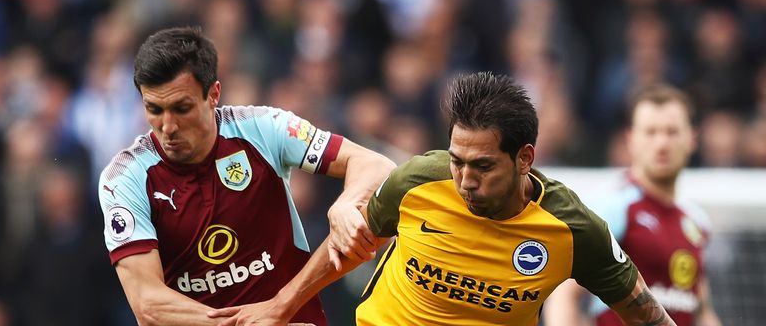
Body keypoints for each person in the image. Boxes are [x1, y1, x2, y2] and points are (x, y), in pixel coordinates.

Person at [207, 72, 677, 325]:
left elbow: (646, 315)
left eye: (483, 166)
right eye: (457, 161)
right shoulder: (419, 181)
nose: (465, 180)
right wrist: (279, 306)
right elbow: (349, 249)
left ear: (524, 158)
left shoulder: (572, 229)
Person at [98, 26, 395, 326]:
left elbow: (378, 166)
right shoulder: (125, 178)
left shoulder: (263, 129)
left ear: (213, 94)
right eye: (154, 109)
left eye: (181, 108)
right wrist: (255, 322)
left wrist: (345, 204)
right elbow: (148, 304)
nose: (167, 126)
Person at [544, 84, 722, 326]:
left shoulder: (696, 220)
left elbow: (700, 308)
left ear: (692, 139)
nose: (661, 143)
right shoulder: (612, 208)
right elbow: (565, 294)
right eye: (651, 132)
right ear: (631, 139)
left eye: (671, 132)